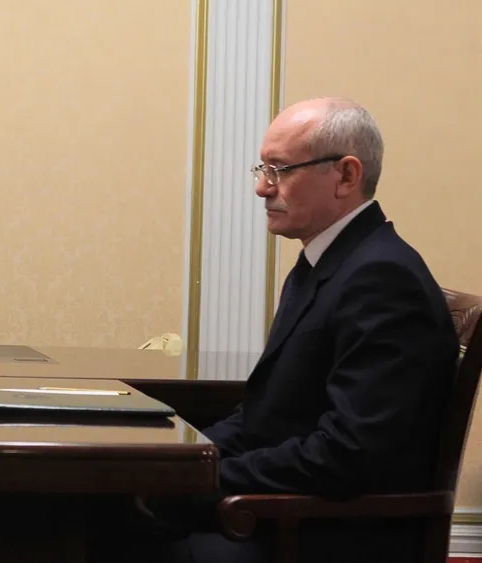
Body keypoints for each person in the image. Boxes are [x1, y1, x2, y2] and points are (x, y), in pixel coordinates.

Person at [98, 98, 459, 563]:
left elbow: (348, 455)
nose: (262, 187)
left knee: (92, 527)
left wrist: (202, 480)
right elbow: (265, 419)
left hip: (325, 534)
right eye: (263, 168)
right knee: (105, 509)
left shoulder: (382, 278)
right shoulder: (331, 262)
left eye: (280, 170)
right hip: (288, 511)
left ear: (346, 176)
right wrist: (177, 462)